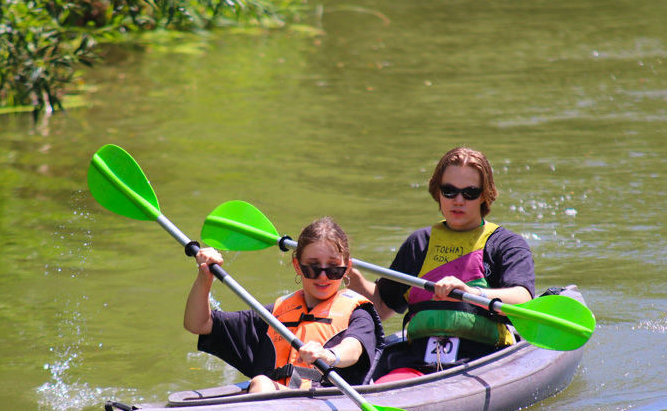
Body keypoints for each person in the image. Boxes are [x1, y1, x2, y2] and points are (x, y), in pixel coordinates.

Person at [348, 147, 535, 381]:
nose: (458, 200)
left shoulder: (505, 244)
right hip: (417, 361)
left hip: (485, 361)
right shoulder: (419, 244)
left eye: (470, 193)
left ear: (485, 195)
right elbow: (383, 307)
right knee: (385, 384)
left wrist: (471, 292)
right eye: (449, 191)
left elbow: (524, 300)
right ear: (438, 192)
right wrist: (351, 278)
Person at [184, 217, 385, 393]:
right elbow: (198, 324)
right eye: (313, 267)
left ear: (346, 267)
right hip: (281, 401)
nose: (323, 276)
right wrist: (204, 277)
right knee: (262, 382)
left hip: (329, 402)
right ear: (298, 266)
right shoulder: (275, 315)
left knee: (261, 383)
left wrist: (330, 355)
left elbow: (354, 348)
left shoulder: (358, 312)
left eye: (333, 268)